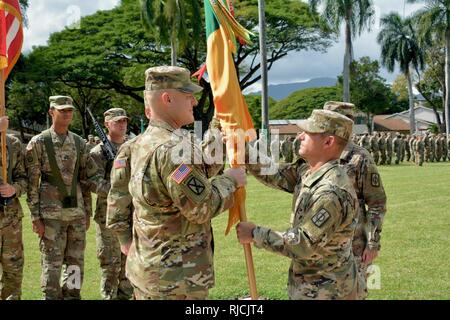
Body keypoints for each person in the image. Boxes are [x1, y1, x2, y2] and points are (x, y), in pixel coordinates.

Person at [123, 65, 246, 300]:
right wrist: (230, 181)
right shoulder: (172, 150)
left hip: (153, 271)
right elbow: (202, 207)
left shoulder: (143, 143)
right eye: (188, 95)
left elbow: (201, 169)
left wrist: (218, 126)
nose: (194, 102)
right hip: (175, 280)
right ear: (167, 98)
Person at [237, 109, 361, 300]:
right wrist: (241, 148)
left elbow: (303, 243)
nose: (300, 136)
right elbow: (275, 174)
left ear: (328, 142)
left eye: (308, 133)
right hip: (313, 286)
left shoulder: (329, 193)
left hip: (327, 291)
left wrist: (255, 233)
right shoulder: (309, 171)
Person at [25, 95, 98, 300]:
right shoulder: (39, 142)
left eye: (69, 110)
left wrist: (87, 212)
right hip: (51, 215)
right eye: (62, 110)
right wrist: (35, 217)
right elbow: (32, 182)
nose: (66, 113)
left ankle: (72, 296)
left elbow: (84, 179)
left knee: (75, 263)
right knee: (52, 263)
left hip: (76, 213)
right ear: (51, 112)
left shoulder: (78, 142)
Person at [322, 101, 387, 299]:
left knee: (353, 294)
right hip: (321, 246)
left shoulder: (359, 158)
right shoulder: (318, 154)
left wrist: (373, 243)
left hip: (353, 247)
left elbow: (377, 203)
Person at [88, 108, 133, 300]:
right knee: (110, 263)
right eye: (117, 122)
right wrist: (118, 190)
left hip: (132, 214)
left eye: (124, 121)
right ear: (107, 124)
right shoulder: (97, 152)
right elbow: (92, 181)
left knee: (129, 262)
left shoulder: (132, 147)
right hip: (108, 215)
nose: (122, 124)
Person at [0, 116, 27, 300]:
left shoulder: (13, 143)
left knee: (13, 271)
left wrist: (14, 189)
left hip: (11, 220)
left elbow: (24, 178)